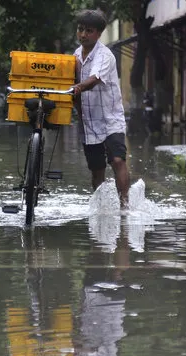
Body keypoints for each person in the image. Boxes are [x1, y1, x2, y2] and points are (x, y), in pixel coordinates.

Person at [71, 9, 130, 208]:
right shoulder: (75, 56)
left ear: (98, 34)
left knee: (117, 160)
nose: (83, 35)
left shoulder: (105, 55)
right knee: (97, 170)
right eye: (80, 30)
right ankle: (101, 209)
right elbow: (73, 86)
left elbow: (94, 79)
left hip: (111, 119)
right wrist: (78, 111)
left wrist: (77, 87)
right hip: (89, 122)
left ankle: (124, 206)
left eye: (89, 31)